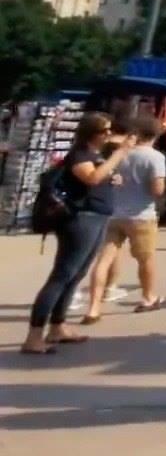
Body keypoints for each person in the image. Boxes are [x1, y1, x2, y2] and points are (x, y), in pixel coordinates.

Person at [23, 113, 131, 355]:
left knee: (76, 274)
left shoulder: (95, 155)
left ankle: (57, 326)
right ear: (92, 133)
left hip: (97, 217)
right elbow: (91, 177)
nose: (109, 134)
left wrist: (112, 176)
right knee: (63, 274)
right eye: (105, 130)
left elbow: (98, 176)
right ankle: (34, 335)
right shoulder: (80, 154)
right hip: (81, 219)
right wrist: (119, 154)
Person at [82, 115, 166, 323]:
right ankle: (148, 297)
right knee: (145, 259)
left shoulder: (118, 153)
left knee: (103, 260)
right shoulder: (155, 157)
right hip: (141, 216)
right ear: (155, 135)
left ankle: (94, 307)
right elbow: (157, 190)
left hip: (113, 213)